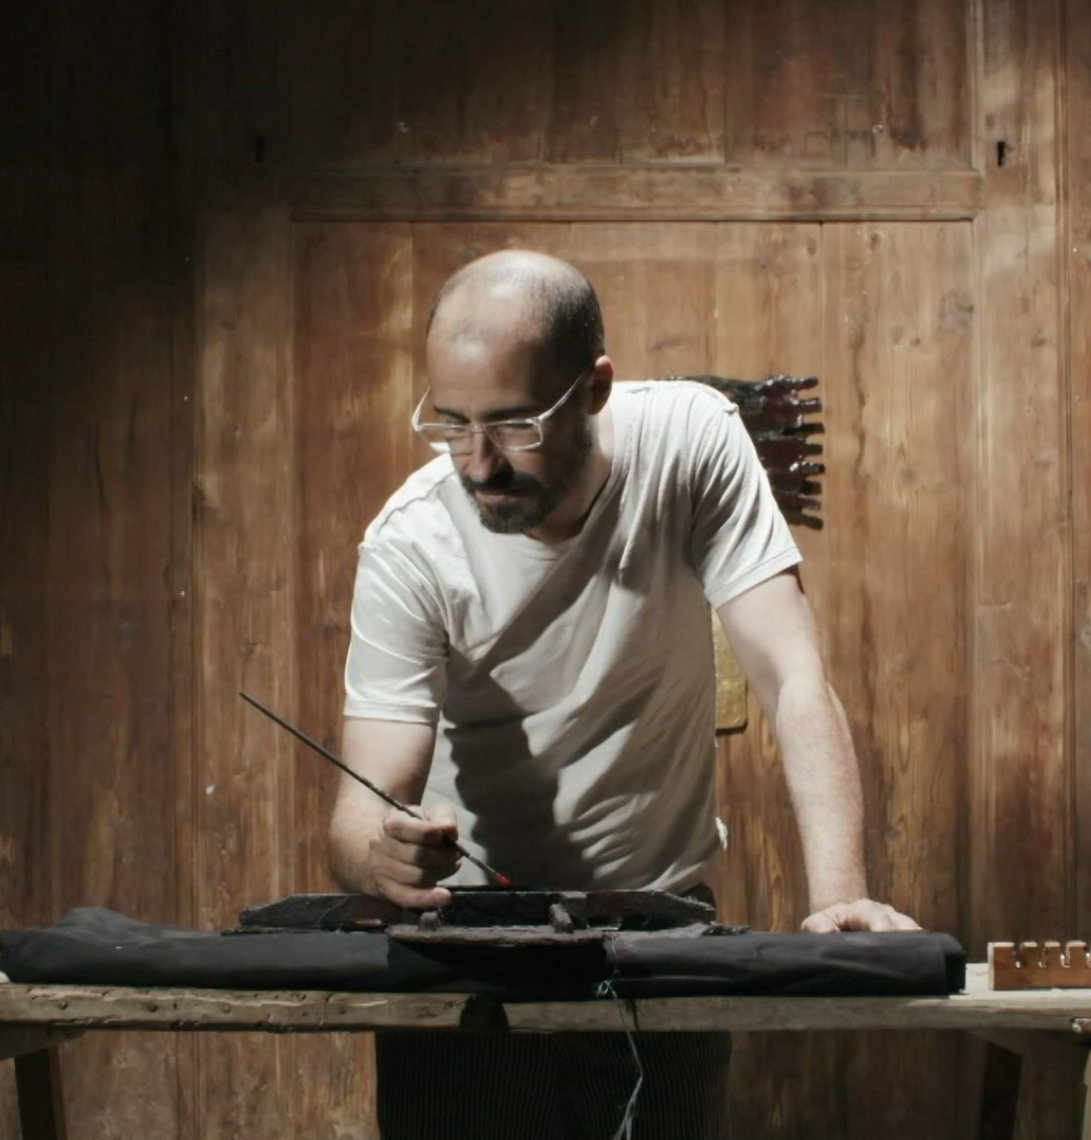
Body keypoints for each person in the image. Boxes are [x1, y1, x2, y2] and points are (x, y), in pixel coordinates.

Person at [330, 250, 916, 1138]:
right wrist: (385, 856)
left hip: (661, 929)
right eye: (449, 424)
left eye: (513, 424)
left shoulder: (690, 442)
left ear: (594, 390)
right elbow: (358, 811)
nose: (477, 463)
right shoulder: (410, 546)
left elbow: (794, 675)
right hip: (472, 945)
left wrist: (839, 893)